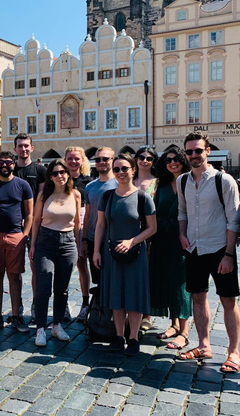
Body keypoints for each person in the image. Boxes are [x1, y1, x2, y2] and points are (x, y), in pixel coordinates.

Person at [176, 131, 240, 373]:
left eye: (198, 150)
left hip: (218, 249)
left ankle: (233, 352)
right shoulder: (182, 180)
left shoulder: (223, 181)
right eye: (189, 151)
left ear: (208, 151)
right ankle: (204, 345)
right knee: (197, 297)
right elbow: (182, 212)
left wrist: (228, 254)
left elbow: (234, 220)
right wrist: (182, 234)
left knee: (228, 300)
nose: (193, 155)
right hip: (193, 248)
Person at [92, 152, 156, 355]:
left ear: (133, 170)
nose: (120, 172)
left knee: (133, 296)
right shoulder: (107, 196)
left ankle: (134, 338)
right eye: (117, 169)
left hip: (135, 255)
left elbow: (152, 228)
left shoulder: (142, 197)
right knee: (115, 296)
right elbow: (100, 225)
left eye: (124, 169)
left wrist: (132, 241)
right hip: (111, 253)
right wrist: (96, 251)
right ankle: (119, 337)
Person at [0, 150, 34, 333]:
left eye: (8, 162)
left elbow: (29, 213)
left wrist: (24, 235)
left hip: (15, 236)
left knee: (15, 276)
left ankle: (16, 315)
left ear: (13, 164)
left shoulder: (23, 185)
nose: (5, 165)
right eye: (1, 162)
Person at [30, 159, 80, 346]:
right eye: (55, 173)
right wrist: (33, 245)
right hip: (45, 241)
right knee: (43, 286)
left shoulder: (75, 194)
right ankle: (41, 328)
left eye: (62, 172)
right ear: (50, 176)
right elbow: (36, 221)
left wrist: (78, 245)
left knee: (63, 288)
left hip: (68, 243)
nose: (60, 176)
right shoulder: (44, 195)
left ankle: (57, 325)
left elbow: (77, 224)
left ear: (68, 174)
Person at [149, 147, 192, 350]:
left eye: (176, 159)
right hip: (161, 238)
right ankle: (174, 324)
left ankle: (184, 331)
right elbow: (155, 209)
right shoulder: (163, 184)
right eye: (168, 160)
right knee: (165, 279)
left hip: (183, 238)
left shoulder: (191, 182)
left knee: (180, 283)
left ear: (183, 160)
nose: (172, 162)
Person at [80, 147, 117, 321]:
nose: (101, 162)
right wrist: (85, 240)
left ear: (112, 160)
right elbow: (87, 215)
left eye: (105, 159)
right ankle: (101, 318)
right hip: (95, 240)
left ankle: (114, 319)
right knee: (99, 281)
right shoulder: (90, 186)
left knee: (114, 281)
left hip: (115, 241)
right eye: (98, 159)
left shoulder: (119, 183)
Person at [13, 133, 46, 322]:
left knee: (36, 268)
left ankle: (35, 304)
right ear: (15, 148)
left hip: (35, 226)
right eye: (20, 146)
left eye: (26, 146)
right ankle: (17, 307)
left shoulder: (40, 171)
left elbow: (41, 198)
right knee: (15, 269)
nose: (23, 149)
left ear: (32, 148)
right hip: (14, 226)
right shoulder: (11, 168)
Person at [64, 146, 93, 321]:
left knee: (82, 264)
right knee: (65, 266)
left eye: (77, 158)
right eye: (70, 158)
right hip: (65, 225)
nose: (73, 162)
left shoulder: (88, 182)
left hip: (83, 223)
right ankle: (64, 304)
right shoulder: (61, 179)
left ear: (82, 161)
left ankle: (85, 303)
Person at [133, 146, 158, 331]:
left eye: (149, 158)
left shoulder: (157, 183)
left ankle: (146, 314)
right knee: (131, 273)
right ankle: (130, 312)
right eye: (141, 157)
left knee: (147, 275)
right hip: (127, 231)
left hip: (150, 234)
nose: (145, 160)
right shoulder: (129, 179)